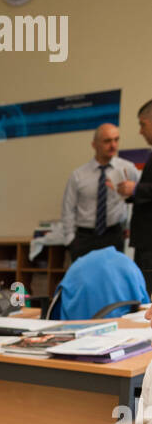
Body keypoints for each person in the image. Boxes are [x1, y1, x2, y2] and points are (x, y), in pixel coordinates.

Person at [61, 123, 139, 263]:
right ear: (94, 145)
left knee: (112, 281)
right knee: (84, 281)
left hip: (113, 235)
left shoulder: (128, 169)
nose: (113, 145)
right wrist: (70, 240)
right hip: (84, 237)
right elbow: (68, 209)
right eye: (107, 141)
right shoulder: (78, 175)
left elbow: (139, 197)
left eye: (116, 140)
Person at [119, 98, 152, 296]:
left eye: (143, 124)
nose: (140, 131)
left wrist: (135, 189)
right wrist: (129, 193)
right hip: (144, 241)